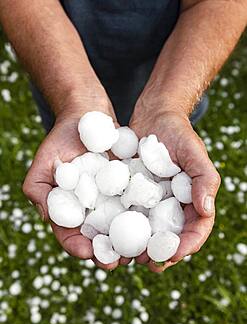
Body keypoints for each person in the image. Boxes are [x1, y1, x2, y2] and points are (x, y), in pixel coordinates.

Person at [0, 1, 246, 272]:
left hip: (174, 61)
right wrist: (73, 99)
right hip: (61, 63)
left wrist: (169, 104)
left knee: (174, 131)